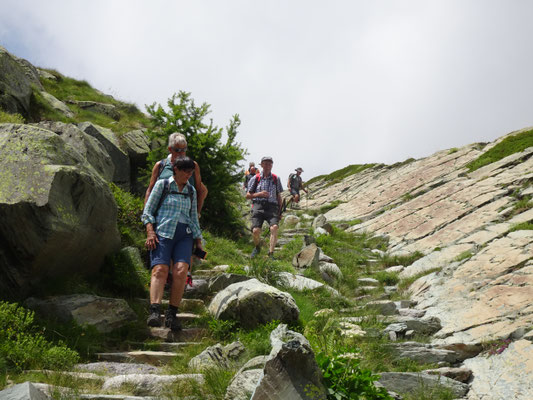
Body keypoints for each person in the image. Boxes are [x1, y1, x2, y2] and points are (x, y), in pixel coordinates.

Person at [142, 157, 204, 331]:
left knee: (181, 271)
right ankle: (154, 311)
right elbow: (148, 211)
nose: (188, 175)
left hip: (184, 235)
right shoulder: (162, 185)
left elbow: (193, 218)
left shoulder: (191, 191)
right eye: (185, 171)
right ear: (175, 169)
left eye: (191, 172)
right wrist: (150, 231)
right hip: (162, 233)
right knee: (159, 270)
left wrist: (198, 242)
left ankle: (172, 315)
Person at [144, 132, 207, 215]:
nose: (181, 153)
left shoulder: (193, 166)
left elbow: (200, 190)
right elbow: (150, 190)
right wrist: (146, 214)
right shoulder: (160, 165)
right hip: (162, 216)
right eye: (177, 150)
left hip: (185, 217)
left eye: (184, 150)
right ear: (170, 149)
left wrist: (197, 213)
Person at [246, 156, 283, 259]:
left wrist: (280, 211)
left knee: (274, 227)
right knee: (255, 231)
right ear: (261, 165)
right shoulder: (255, 178)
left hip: (272, 207)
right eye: (265, 163)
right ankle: (257, 247)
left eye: (270, 164)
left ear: (272, 165)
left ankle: (271, 253)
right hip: (258, 206)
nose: (267, 166)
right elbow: (248, 195)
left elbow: (279, 196)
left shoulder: (276, 178)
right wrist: (259, 194)